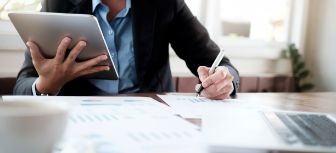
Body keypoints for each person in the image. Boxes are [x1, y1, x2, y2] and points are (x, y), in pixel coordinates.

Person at [13, 0, 240, 99]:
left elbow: (219, 63)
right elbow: (23, 85)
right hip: (82, 127)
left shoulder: (165, 3)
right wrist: (47, 85)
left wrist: (224, 82)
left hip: (153, 124)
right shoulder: (58, 3)